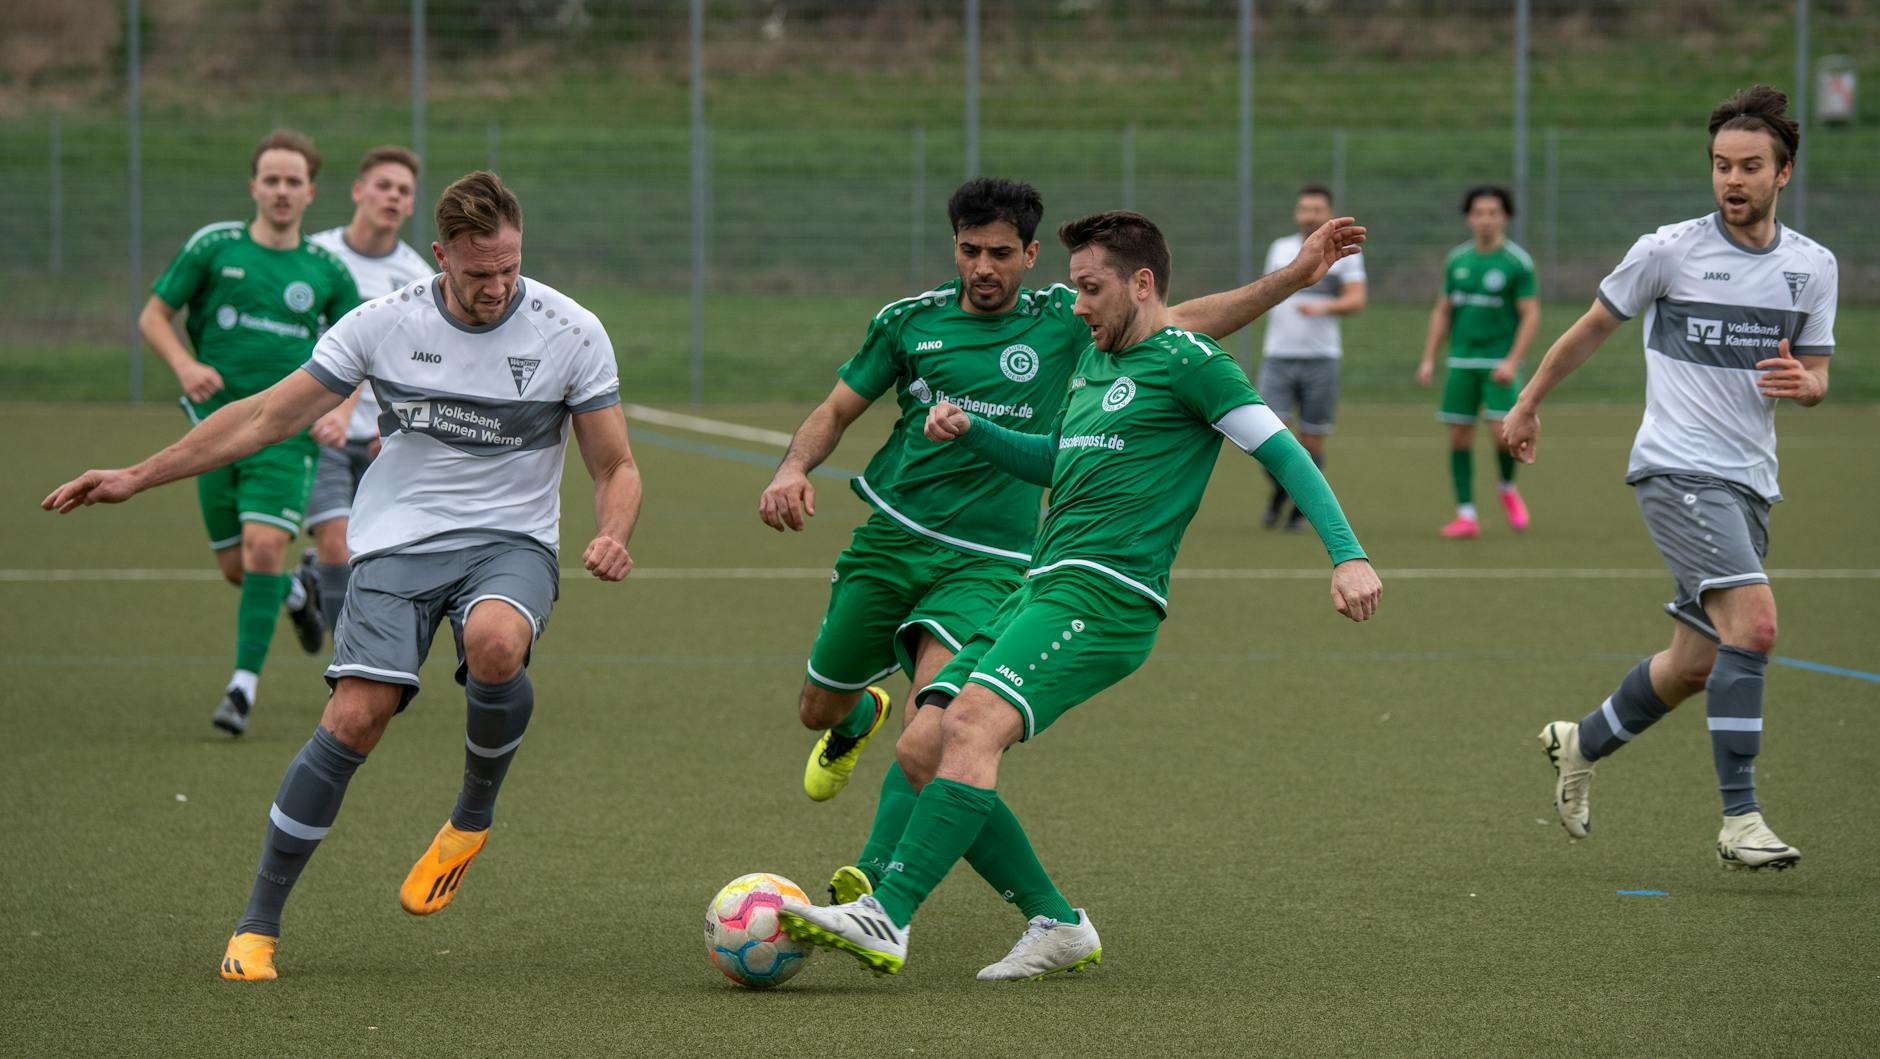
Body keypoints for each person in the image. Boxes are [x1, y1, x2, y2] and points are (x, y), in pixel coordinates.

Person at [44, 171, 642, 979]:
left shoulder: (570, 330)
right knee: (357, 715)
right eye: (476, 273)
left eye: (507, 269)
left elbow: (615, 464)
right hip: (396, 541)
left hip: (510, 538)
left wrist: (613, 531)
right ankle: (257, 924)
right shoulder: (383, 323)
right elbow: (263, 416)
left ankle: (470, 816)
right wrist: (135, 474)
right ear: (440, 257)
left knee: (498, 644)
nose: (496, 287)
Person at [778, 211, 1382, 980]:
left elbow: (1282, 448)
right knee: (923, 745)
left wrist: (1347, 554)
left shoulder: (1194, 362)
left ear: (1141, 283)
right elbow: (1057, 459)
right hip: (1042, 584)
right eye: (1073, 288)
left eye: (1090, 288)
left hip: (1106, 597)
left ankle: (885, 914)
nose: (1079, 306)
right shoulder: (1096, 364)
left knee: (968, 723)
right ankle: (1058, 924)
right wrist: (972, 431)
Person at [1502, 86, 1834, 871]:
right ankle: (1741, 818)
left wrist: (1807, 385)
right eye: (1722, 165)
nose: (1733, 179)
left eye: (1750, 166)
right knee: (1753, 625)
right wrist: (1527, 402)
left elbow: (1818, 372)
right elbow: (1589, 330)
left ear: (1783, 172)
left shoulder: (1811, 267)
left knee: (1697, 662)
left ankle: (1579, 740)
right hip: (1677, 469)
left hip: (1750, 481)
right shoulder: (1669, 250)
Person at [138, 129, 361, 734]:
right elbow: (155, 315)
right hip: (209, 433)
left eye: (294, 181)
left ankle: (240, 691)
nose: (282, 191)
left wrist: (340, 411)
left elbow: (358, 351)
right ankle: (297, 594)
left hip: (286, 435)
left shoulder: (327, 270)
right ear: (254, 186)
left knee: (265, 547)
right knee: (239, 568)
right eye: (272, 179)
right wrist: (185, 364)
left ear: (311, 192)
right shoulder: (214, 246)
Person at [301, 145, 434, 636]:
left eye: (404, 191)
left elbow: (423, 366)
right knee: (337, 542)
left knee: (377, 552)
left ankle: (316, 582)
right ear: (359, 191)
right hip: (321, 431)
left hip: (383, 438)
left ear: (412, 205)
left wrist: (399, 426)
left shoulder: (418, 279)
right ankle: (346, 667)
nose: (393, 197)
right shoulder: (314, 256)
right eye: (384, 185)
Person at [1415, 186, 1539, 539]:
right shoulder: (1457, 260)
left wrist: (1513, 362)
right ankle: (1466, 515)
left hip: (1498, 364)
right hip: (1461, 362)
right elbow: (1443, 310)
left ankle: (1505, 487)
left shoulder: (1517, 263)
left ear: (1505, 217)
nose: (1485, 219)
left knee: (1505, 438)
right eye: (1479, 213)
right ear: (1469, 217)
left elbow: (1530, 315)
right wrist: (1429, 358)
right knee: (1458, 438)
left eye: (1493, 213)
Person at [1256, 184, 1367, 530]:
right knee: (1265, 437)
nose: (1310, 215)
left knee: (1312, 439)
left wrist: (1323, 306)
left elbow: (1356, 300)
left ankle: (1300, 510)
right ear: (1296, 213)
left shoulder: (1344, 251)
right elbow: (1264, 293)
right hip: (1278, 356)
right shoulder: (1280, 249)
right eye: (1304, 209)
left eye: (1317, 209)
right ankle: (1280, 493)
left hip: (1321, 358)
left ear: (1328, 213)